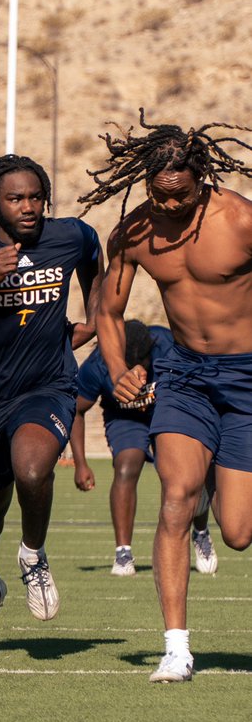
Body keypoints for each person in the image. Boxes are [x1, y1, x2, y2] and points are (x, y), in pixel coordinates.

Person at [81, 110, 252, 683]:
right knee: (176, 494)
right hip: (184, 376)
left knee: (237, 531)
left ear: (200, 180)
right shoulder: (133, 234)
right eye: (159, 195)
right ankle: (176, 647)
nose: (170, 207)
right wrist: (116, 365)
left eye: (181, 196)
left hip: (249, 376)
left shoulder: (240, 220)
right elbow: (107, 310)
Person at [0, 154, 103, 655]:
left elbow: (98, 263)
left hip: (46, 387)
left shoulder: (69, 235)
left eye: (36, 197)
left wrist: (92, 320)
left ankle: (32, 556)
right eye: (16, 198)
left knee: (32, 471)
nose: (28, 207)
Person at [69, 318, 218, 576]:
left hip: (168, 409)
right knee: (126, 466)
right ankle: (123, 553)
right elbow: (77, 410)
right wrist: (80, 463)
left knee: (185, 473)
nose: (139, 377)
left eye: (143, 368)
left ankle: (201, 532)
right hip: (125, 416)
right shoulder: (99, 364)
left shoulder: (168, 345)